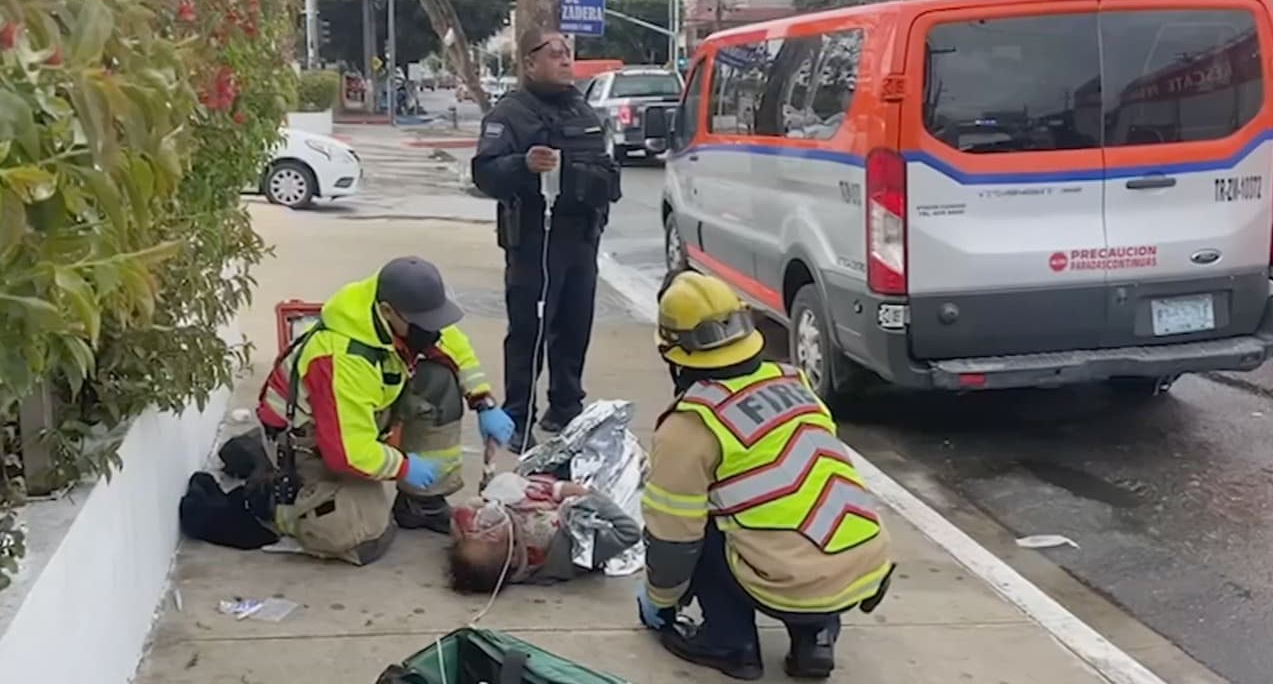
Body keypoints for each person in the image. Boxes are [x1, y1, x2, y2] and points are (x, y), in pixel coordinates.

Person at [635, 272, 895, 681]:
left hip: (793, 580)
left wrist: (659, 600)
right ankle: (816, 640)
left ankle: (729, 644)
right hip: (865, 562)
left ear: (673, 353)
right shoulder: (794, 382)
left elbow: (673, 539)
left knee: (699, 527)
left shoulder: (690, 426)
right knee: (795, 507)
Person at [246, 256, 514, 565]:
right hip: (308, 446)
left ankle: (421, 504)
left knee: (439, 380)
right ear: (387, 311)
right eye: (425, 324)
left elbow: (454, 345)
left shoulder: (402, 312)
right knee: (361, 534)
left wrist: (483, 402)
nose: (433, 331)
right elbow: (347, 452)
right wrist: (402, 466)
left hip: (358, 417)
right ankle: (273, 505)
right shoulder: (342, 358)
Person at [471, 28, 621, 450]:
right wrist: (523, 165)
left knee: (575, 326)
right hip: (534, 242)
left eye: (568, 52)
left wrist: (570, 172)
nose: (564, 59)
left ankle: (566, 406)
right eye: (553, 53)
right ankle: (518, 414)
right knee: (528, 331)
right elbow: (485, 173)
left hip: (581, 239)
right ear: (530, 62)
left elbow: (610, 177)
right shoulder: (511, 114)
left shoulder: (584, 111)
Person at [446, 471, 641, 593]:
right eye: (489, 536)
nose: (481, 526)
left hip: (549, 476)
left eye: (474, 533)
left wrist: (484, 501)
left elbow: (461, 514)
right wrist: (585, 496)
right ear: (513, 558)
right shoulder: (560, 550)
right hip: (605, 485)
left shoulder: (501, 524)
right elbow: (629, 532)